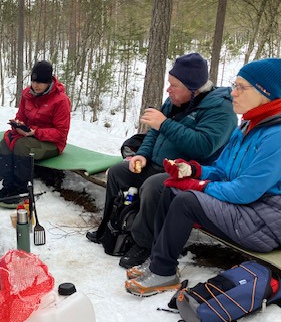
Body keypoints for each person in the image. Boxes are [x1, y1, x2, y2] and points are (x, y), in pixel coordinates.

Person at [125, 58, 281, 296]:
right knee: (170, 189)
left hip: (271, 220)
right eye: (234, 85)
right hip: (249, 207)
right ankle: (160, 263)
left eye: (241, 87)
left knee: (187, 200)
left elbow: (245, 191)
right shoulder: (247, 127)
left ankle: (162, 272)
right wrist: (193, 171)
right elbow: (222, 171)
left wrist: (199, 185)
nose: (233, 93)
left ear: (265, 93)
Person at [86, 53, 238, 268]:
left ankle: (144, 243)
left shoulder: (221, 109)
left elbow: (204, 146)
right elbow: (154, 132)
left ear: (193, 88)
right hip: (158, 163)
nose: (168, 90)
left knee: (154, 185)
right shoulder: (175, 100)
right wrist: (142, 155)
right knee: (119, 172)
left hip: (190, 173)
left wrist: (165, 124)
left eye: (174, 85)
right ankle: (111, 227)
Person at [0, 60, 71, 201]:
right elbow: (21, 116)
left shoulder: (60, 100)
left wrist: (35, 132)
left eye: (40, 82)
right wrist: (18, 124)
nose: (35, 85)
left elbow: (61, 133)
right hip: (30, 136)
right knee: (6, 141)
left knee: (22, 145)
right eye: (34, 81)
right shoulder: (27, 94)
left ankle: (21, 188)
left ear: (49, 82)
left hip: (52, 143)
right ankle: (8, 185)